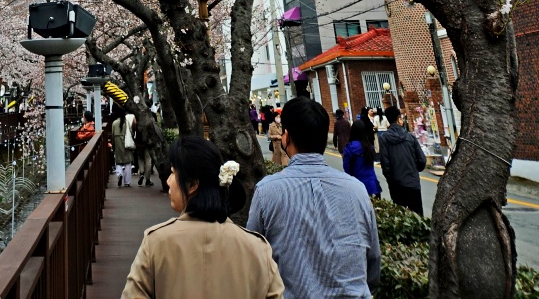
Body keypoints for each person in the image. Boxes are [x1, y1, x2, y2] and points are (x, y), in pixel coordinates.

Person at [247, 97, 380, 299]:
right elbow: (373, 262)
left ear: (287, 137)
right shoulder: (357, 190)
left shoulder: (267, 191)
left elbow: (253, 263)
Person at [123, 136, 283, 299]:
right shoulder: (257, 247)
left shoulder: (156, 242)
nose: (168, 181)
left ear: (192, 185)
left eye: (173, 173)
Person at [379, 105, 427, 216]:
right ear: (399, 119)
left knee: (401, 218)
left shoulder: (384, 139)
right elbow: (422, 161)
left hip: (396, 185)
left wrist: (391, 180)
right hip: (412, 182)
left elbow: (385, 164)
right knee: (417, 217)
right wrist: (414, 170)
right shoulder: (410, 137)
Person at [343, 119, 382, 197]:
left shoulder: (349, 148)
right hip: (373, 184)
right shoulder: (369, 147)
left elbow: (346, 168)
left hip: (358, 185)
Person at [112, 106, 136, 187]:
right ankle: (127, 182)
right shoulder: (126, 123)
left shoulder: (114, 123)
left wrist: (113, 145)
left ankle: (119, 174)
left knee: (118, 161)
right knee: (127, 163)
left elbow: (112, 135)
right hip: (126, 143)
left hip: (117, 142)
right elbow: (131, 133)